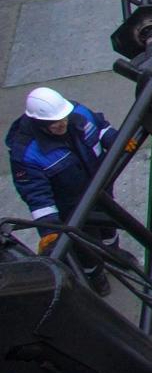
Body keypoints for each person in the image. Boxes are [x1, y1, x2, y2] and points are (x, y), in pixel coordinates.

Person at [6, 86, 129, 296]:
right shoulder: (27, 154)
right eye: (55, 123)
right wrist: (50, 231)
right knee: (85, 247)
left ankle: (113, 254)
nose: (62, 124)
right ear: (40, 123)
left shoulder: (78, 114)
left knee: (109, 228)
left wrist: (119, 140)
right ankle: (95, 274)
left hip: (102, 191)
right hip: (73, 209)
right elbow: (37, 197)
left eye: (64, 118)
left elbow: (101, 129)